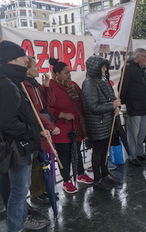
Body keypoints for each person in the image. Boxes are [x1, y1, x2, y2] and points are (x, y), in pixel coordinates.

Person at [0, 40, 48, 231]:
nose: (27, 59)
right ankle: (16, 226)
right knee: (19, 191)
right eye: (23, 56)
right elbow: (7, 121)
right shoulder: (7, 86)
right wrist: (30, 133)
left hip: (14, 146)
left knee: (17, 190)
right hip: (16, 147)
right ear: (11, 61)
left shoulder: (12, 82)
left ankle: (20, 220)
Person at [49, 58, 93, 193]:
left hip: (76, 126)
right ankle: (66, 180)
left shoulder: (72, 84)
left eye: (69, 72)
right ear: (57, 74)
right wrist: (61, 114)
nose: (69, 75)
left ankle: (80, 173)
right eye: (66, 73)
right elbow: (47, 108)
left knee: (76, 151)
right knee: (64, 155)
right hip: (61, 128)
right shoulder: (50, 87)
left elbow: (81, 101)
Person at [23, 57, 59, 205]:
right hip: (35, 129)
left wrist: (46, 87)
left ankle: (44, 190)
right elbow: (33, 112)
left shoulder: (35, 85)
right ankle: (36, 193)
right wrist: (49, 126)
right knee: (36, 164)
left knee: (42, 161)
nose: (38, 69)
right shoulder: (25, 86)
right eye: (35, 67)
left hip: (42, 128)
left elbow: (48, 104)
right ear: (27, 70)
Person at [82, 55, 121, 191]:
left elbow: (112, 98)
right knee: (98, 152)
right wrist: (112, 106)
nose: (105, 69)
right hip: (97, 124)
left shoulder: (103, 81)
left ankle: (105, 174)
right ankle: (97, 179)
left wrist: (116, 107)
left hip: (106, 122)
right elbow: (93, 106)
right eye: (103, 67)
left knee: (105, 151)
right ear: (95, 68)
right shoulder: (89, 84)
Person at [119, 48, 146, 167]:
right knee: (133, 133)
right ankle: (132, 155)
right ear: (137, 56)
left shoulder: (141, 69)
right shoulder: (128, 67)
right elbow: (123, 86)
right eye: (144, 56)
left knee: (142, 132)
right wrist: (122, 101)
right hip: (134, 105)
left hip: (144, 105)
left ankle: (139, 152)